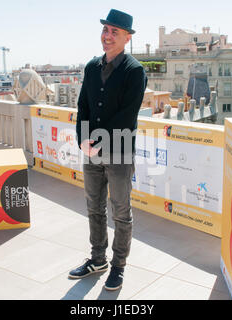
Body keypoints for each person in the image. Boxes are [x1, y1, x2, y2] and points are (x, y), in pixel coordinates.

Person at [69, 9, 147, 291]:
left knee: (121, 212)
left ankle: (118, 266)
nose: (108, 36)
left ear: (127, 38)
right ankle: (97, 259)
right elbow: (84, 107)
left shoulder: (134, 71)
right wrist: (82, 139)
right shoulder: (91, 67)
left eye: (115, 32)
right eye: (106, 30)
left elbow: (127, 115)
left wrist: (96, 140)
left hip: (120, 152)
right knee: (94, 207)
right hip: (91, 150)